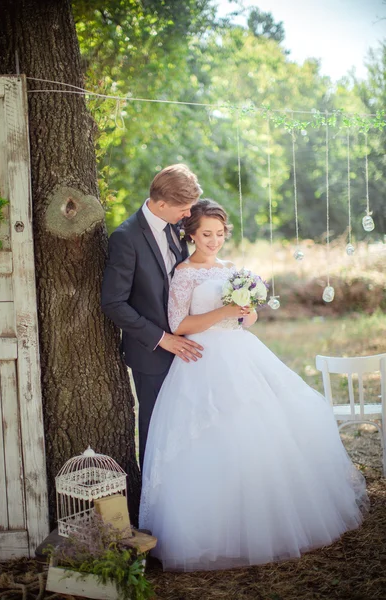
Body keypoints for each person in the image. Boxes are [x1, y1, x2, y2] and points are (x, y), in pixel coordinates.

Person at [139, 198, 368, 572]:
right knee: (215, 435)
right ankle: (216, 528)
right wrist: (225, 312)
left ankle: (265, 519)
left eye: (219, 233)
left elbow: (250, 319)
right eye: (206, 234)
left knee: (259, 426)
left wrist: (246, 312)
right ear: (191, 234)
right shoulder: (184, 273)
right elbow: (179, 324)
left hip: (242, 354)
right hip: (202, 359)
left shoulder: (233, 269)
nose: (214, 240)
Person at [101, 164, 204, 472]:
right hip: (152, 353)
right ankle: (152, 501)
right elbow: (113, 302)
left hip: (189, 345)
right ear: (161, 204)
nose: (187, 214)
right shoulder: (126, 237)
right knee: (157, 427)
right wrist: (163, 339)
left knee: (190, 422)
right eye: (183, 208)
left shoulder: (175, 225)